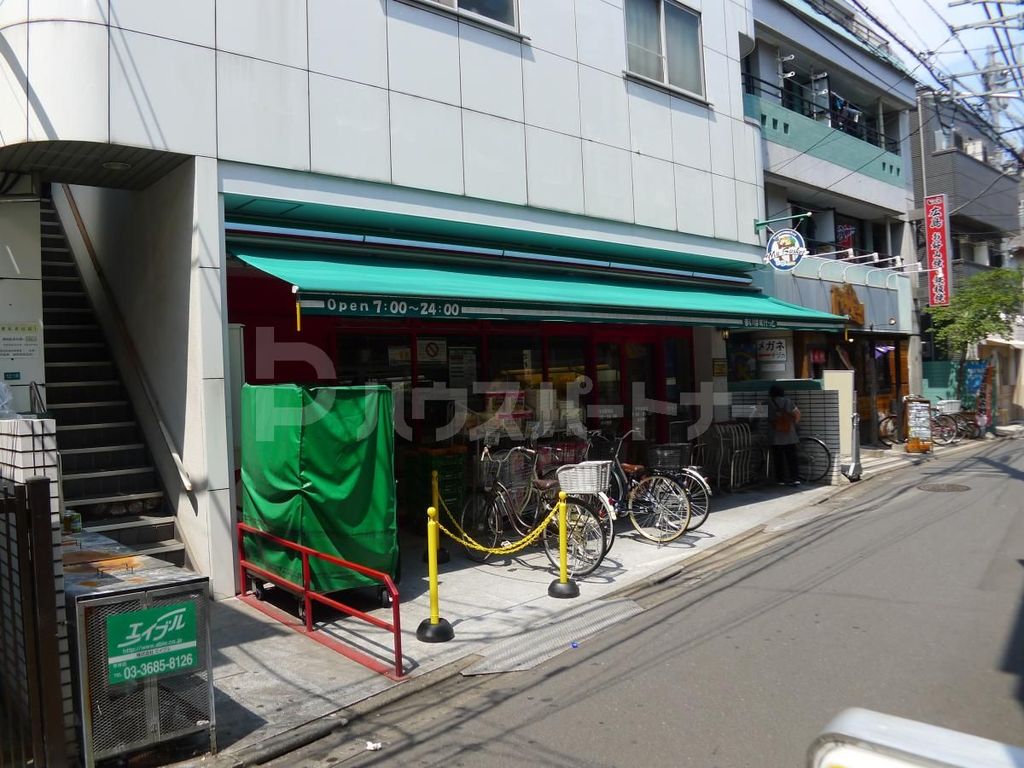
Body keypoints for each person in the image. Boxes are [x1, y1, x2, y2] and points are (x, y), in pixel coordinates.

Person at [767, 384, 801, 486]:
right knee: (792, 458)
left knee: (778, 459)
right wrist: (794, 424)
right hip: (789, 434)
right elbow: (798, 413)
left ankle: (780, 480)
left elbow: (757, 415)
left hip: (775, 435)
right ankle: (795, 478)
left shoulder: (767, 403)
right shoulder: (788, 401)